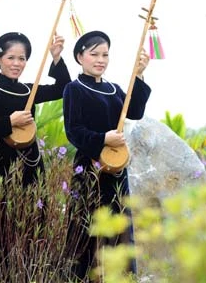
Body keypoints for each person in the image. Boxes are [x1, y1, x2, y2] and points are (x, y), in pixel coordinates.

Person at [0, 31, 71, 280]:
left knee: (38, 217)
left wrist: (56, 58)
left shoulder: (30, 89)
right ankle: (6, 274)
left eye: (22, 59)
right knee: (6, 220)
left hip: (33, 164)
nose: (17, 64)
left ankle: (33, 272)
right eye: (11, 57)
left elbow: (62, 88)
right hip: (4, 166)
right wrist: (9, 121)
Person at [62, 30, 151, 282]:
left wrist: (140, 74)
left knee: (119, 224)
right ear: (80, 57)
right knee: (88, 225)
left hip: (117, 169)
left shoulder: (114, 89)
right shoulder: (74, 89)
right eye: (94, 54)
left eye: (105, 55)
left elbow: (134, 112)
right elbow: (73, 131)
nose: (100, 59)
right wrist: (102, 139)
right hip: (89, 169)